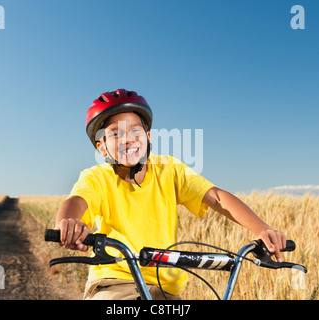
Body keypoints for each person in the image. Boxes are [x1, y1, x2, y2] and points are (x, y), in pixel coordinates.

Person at [55, 88, 286, 300]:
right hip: (117, 281)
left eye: (135, 130)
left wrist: (262, 229)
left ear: (148, 136)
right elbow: (77, 201)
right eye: (115, 134)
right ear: (102, 147)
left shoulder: (169, 170)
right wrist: (69, 223)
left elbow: (215, 197)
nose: (127, 139)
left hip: (166, 290)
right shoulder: (97, 178)